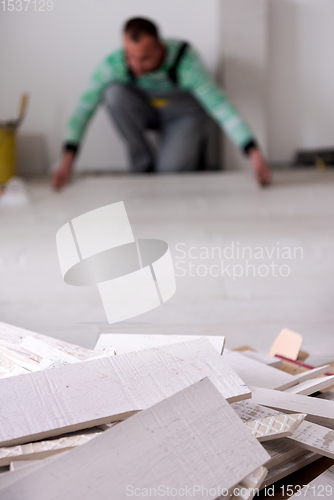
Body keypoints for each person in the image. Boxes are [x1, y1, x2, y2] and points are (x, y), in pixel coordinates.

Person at [52, 17, 271, 189]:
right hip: (146, 111)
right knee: (114, 94)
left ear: (159, 48)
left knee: (170, 176)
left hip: (183, 116)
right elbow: (83, 110)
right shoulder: (114, 64)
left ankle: (189, 153)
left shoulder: (186, 62)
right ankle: (142, 165)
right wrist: (67, 162)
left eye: (144, 58)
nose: (136, 66)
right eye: (130, 56)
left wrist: (254, 154)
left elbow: (221, 107)